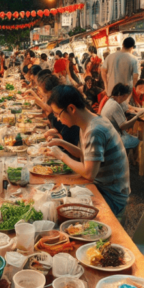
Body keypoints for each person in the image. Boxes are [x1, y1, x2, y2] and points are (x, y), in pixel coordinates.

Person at [45, 85, 130, 219]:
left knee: (58, 211)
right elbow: (85, 155)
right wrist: (61, 143)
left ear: (71, 109)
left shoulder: (94, 130)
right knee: (55, 198)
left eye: (57, 114)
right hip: (102, 188)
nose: (57, 119)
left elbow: (89, 173)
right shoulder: (89, 121)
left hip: (112, 197)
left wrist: (61, 155)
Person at [100, 83, 143, 150]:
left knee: (133, 136)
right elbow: (123, 126)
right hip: (113, 139)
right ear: (120, 95)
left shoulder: (110, 101)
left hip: (107, 136)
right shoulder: (115, 105)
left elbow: (126, 109)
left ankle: (128, 158)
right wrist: (137, 116)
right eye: (124, 98)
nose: (124, 101)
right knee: (140, 141)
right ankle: (134, 159)